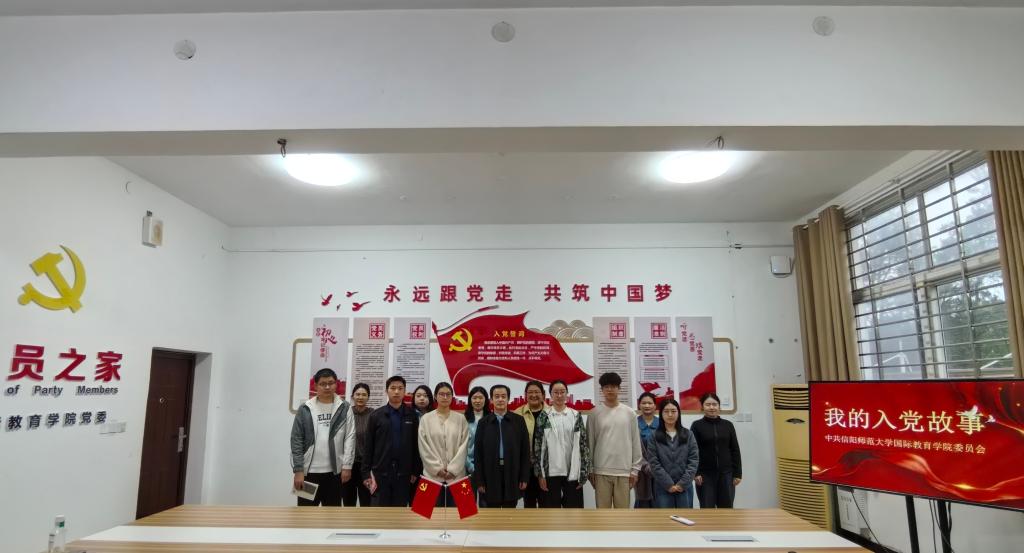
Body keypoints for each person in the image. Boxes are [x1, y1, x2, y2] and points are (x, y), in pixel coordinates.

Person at [290, 368, 356, 506]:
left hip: (335, 474)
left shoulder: (344, 407)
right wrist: (298, 470)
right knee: (305, 514)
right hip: (308, 473)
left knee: (332, 515)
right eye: (323, 384)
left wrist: (347, 466)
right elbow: (296, 440)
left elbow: (350, 437)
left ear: (336, 384)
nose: (327, 387)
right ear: (315, 386)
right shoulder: (305, 408)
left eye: (330, 383)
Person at [362, 375, 422, 506]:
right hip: (380, 473)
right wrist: (366, 473)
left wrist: (415, 470)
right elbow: (368, 446)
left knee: (399, 511)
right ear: (386, 391)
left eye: (400, 388)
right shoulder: (376, 415)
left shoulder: (411, 415)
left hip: (404, 473)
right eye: (393, 388)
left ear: (404, 391)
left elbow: (416, 445)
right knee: (379, 511)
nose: (396, 391)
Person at [587, 372, 642, 509]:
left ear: (619, 388)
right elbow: (590, 443)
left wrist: (635, 470)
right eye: (606, 387)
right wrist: (590, 469)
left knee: (622, 515)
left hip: (624, 471)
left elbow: (635, 442)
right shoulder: (594, 413)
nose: (610, 390)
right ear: (602, 390)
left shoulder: (630, 413)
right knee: (602, 514)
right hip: (601, 471)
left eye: (613, 386)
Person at [532, 380, 590, 508]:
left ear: (567, 394)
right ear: (550, 395)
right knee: (551, 513)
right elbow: (538, 447)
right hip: (550, 473)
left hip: (572, 473)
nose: (559, 395)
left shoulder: (575, 415)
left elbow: (583, 445)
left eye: (562, 392)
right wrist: (540, 475)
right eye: (556, 392)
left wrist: (583, 472)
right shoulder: (544, 416)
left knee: (574, 511)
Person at [473, 384, 530, 508]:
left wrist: (524, 477)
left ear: (508, 399)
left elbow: (525, 452)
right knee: (491, 512)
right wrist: (480, 480)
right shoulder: (483, 423)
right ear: (491, 400)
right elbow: (478, 454)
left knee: (510, 510)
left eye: (503, 396)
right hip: (490, 472)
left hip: (512, 471)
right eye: (497, 396)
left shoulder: (518, 421)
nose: (500, 399)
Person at [417, 381, 469, 506]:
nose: (445, 397)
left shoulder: (461, 419)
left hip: (457, 476)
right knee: (424, 513)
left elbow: (464, 446)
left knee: (464, 513)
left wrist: (453, 469)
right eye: (441, 394)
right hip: (431, 476)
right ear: (435, 396)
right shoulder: (426, 419)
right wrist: (437, 469)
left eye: (448, 394)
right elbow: (423, 447)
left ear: (452, 397)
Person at [690, 392, 742, 508]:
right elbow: (693, 452)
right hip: (705, 475)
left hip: (727, 474)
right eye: (708, 404)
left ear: (719, 406)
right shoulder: (697, 425)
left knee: (727, 508)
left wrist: (737, 473)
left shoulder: (728, 425)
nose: (712, 407)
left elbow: (735, 449)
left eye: (714, 404)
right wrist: (696, 473)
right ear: (702, 406)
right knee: (707, 508)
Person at [645, 398, 699, 508]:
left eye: (673, 411)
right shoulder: (654, 436)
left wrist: (682, 484)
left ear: (678, 413)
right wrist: (668, 484)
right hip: (662, 486)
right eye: (666, 411)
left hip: (684, 487)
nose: (670, 414)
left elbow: (693, 461)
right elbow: (653, 462)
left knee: (684, 517)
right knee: (665, 517)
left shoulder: (688, 434)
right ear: (661, 414)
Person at [513, 380, 548, 508]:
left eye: (537, 392)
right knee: (529, 505)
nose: (533, 395)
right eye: (530, 392)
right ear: (525, 395)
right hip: (527, 468)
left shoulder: (551, 413)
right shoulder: (517, 414)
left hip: (547, 469)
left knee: (547, 505)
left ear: (543, 395)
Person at [341, 382, 373, 506]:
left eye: (364, 394)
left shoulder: (373, 415)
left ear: (368, 397)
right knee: (348, 500)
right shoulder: (345, 414)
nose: (360, 397)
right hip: (348, 465)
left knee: (366, 501)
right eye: (358, 394)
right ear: (352, 396)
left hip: (366, 467)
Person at [464, 386, 491, 506]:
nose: (478, 401)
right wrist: (470, 466)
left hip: (487, 469)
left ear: (486, 400)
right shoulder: (463, 419)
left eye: (481, 398)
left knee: (486, 505)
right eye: (474, 398)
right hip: (466, 468)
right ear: (470, 400)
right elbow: (460, 446)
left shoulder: (492, 419)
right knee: (467, 506)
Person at [634, 392, 660, 508]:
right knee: (642, 503)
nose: (647, 405)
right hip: (640, 469)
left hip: (660, 469)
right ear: (639, 405)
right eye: (644, 403)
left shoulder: (662, 424)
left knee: (659, 501)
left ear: (655, 406)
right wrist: (644, 465)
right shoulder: (633, 423)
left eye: (650, 403)